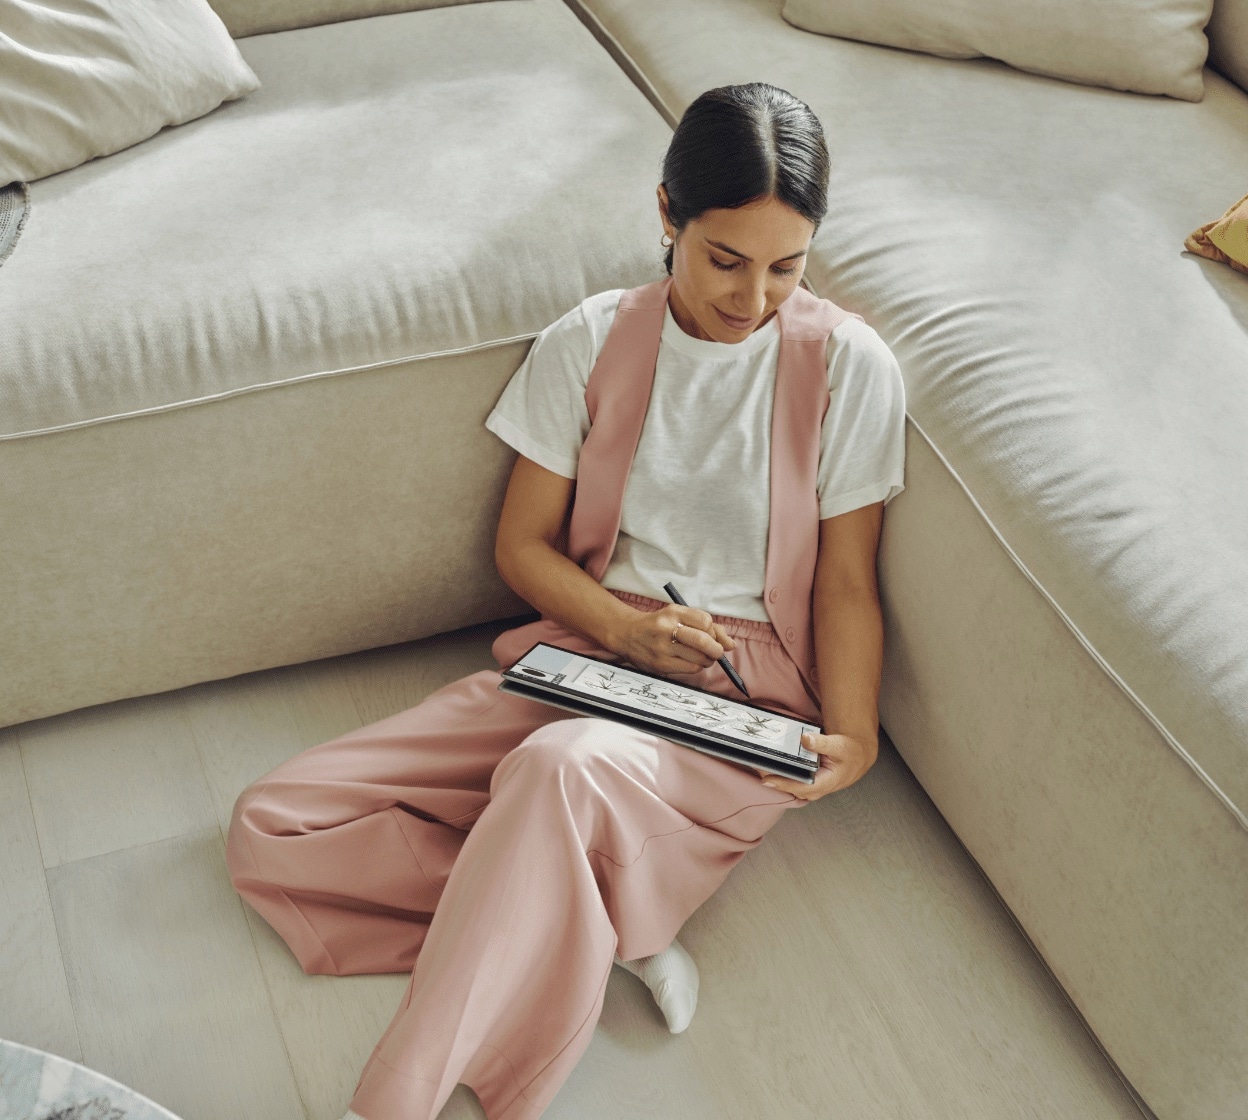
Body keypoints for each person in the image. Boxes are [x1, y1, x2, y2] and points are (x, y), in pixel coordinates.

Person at [225, 81, 906, 1120]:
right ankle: (595, 913)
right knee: (272, 824)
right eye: (726, 258)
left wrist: (850, 734)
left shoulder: (851, 366)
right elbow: (523, 546)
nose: (752, 296)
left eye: (786, 266)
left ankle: (395, 1099)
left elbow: (849, 581)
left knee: (556, 767)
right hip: (587, 649)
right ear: (667, 213)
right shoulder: (591, 340)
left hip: (740, 697)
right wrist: (624, 627)